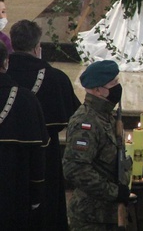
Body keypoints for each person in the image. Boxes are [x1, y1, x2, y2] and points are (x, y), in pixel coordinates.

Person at [8, 19, 80, 231]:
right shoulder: (54, 78)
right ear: (37, 47)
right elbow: (75, 116)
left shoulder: (4, 75)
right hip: (45, 155)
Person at [63, 60, 132, 230]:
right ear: (97, 90)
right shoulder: (86, 122)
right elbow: (75, 169)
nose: (117, 87)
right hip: (91, 217)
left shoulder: (106, 115)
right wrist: (114, 192)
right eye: (112, 83)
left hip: (108, 214)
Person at [0, 40, 49, 230]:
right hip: (15, 195)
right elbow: (38, 153)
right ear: (6, 63)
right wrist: (36, 195)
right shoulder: (26, 100)